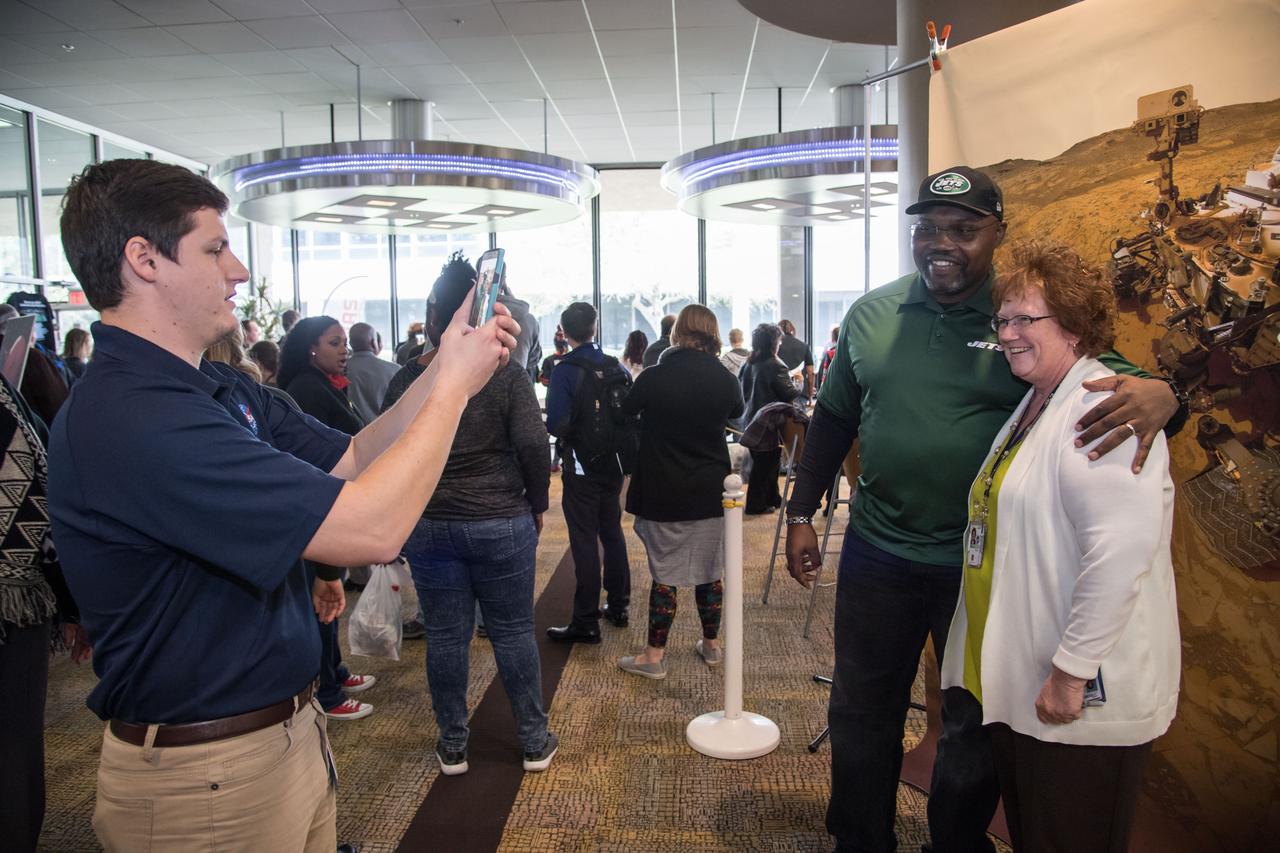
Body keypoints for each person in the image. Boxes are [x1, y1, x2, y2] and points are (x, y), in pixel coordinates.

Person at [48, 158, 515, 853]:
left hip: (277, 738)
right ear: (143, 260)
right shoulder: (134, 415)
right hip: (203, 775)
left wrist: (446, 369)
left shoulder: (211, 387)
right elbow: (373, 526)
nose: (238, 269)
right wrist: (452, 391)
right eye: (214, 248)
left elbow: (356, 455)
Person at [783, 166, 1182, 853]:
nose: (943, 242)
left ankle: (958, 844)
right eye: (929, 228)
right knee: (859, 709)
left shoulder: (1020, 317)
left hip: (976, 566)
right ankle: (860, 838)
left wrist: (1166, 394)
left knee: (972, 722)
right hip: (879, 551)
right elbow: (833, 422)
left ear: (997, 234)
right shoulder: (871, 315)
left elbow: (1107, 381)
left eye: (964, 229)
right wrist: (799, 512)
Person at [941, 241, 1179, 852]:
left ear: (1073, 326)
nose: (1010, 333)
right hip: (1028, 675)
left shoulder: (1103, 406)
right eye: (1004, 319)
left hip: (1078, 693)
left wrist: (1071, 674)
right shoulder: (1036, 401)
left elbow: (1120, 551)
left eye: (1027, 318)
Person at [382, 252, 556, 776]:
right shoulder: (504, 374)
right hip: (501, 520)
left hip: (430, 525)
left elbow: (391, 449)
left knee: (446, 636)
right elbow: (532, 445)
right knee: (512, 631)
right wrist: (538, 506)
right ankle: (532, 740)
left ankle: (453, 743)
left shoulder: (407, 378)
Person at [616, 304, 743, 679]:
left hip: (663, 489)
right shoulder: (726, 379)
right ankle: (712, 646)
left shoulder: (654, 377)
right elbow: (737, 412)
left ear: (678, 333)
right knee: (710, 571)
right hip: (711, 490)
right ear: (713, 333)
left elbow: (626, 412)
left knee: (665, 575)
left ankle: (654, 657)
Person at [0, 371, 87, 853]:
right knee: (11, 755)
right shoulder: (7, 404)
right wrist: (72, 604)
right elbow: (39, 499)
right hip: (12, 606)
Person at [278, 316, 376, 721]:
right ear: (311, 349)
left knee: (328, 602)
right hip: (315, 511)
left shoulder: (326, 385)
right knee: (322, 600)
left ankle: (334, 669)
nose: (344, 349)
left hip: (330, 506)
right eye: (335, 342)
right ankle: (328, 692)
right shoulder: (306, 390)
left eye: (344, 342)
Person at [545, 302, 632, 643]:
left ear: (564, 332)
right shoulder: (616, 366)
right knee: (612, 531)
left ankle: (585, 620)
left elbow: (556, 423)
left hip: (581, 466)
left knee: (584, 539)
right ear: (594, 328)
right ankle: (619, 604)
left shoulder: (565, 370)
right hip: (613, 464)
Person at [738, 323, 801, 515]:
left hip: (751, 419)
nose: (780, 344)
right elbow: (789, 393)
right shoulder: (776, 365)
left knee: (767, 462)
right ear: (774, 342)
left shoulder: (749, 362)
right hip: (770, 421)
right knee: (766, 465)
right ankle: (756, 505)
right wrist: (798, 382)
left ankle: (772, 498)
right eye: (779, 341)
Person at [345, 322, 400, 424]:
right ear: (373, 342)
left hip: (352, 433)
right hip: (389, 429)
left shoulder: (341, 370)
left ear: (351, 343)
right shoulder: (395, 370)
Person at [497, 275, 542, 383]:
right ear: (504, 282)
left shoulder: (469, 318)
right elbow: (535, 357)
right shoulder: (528, 319)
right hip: (519, 389)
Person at [777, 318, 815, 400]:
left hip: (779, 392)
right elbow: (810, 372)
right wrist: (810, 393)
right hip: (799, 392)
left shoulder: (775, 347)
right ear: (792, 330)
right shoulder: (804, 346)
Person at [816, 325, 839, 392]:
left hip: (831, 393)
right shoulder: (850, 354)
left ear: (833, 339)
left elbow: (821, 376)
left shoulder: (829, 354)